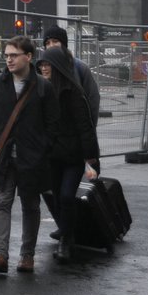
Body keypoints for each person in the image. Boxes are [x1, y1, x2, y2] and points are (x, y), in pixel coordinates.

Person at [0, 36, 61, 274]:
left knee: (30, 205)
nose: (9, 59)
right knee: (2, 203)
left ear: (29, 57)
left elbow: (53, 123)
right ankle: (0, 254)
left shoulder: (43, 86)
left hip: (32, 159)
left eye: (14, 55)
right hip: (3, 156)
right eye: (7, 55)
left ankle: (27, 256)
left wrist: (42, 147)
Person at [38, 46, 100, 263]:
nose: (44, 68)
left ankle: (66, 240)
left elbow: (85, 126)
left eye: (48, 64)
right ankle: (67, 232)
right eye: (42, 64)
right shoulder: (41, 91)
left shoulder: (73, 93)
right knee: (55, 195)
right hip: (52, 155)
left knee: (66, 195)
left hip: (73, 156)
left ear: (58, 67)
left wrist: (91, 157)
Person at [42, 26, 101, 123]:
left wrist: (88, 129)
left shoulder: (80, 68)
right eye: (47, 43)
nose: (51, 45)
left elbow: (93, 99)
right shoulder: (41, 69)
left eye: (55, 41)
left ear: (64, 44)